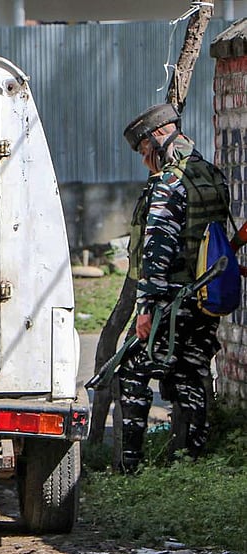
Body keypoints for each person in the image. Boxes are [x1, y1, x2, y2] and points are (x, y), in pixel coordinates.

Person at [117, 103, 230, 472]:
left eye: (143, 151)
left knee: (132, 370)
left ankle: (131, 467)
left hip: (172, 301)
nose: (144, 161)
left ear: (157, 139)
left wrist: (146, 309)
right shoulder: (211, 175)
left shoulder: (170, 182)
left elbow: (158, 249)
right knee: (191, 375)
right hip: (205, 297)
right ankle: (191, 462)